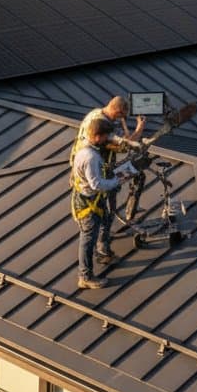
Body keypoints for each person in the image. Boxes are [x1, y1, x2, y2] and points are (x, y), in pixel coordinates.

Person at [72, 96, 145, 262]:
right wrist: (139, 129)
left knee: (100, 215)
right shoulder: (104, 131)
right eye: (121, 116)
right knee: (107, 211)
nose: (121, 120)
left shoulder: (94, 115)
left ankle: (100, 245)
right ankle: (102, 246)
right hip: (99, 174)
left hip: (83, 174)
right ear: (117, 112)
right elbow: (125, 145)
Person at [70, 118, 128, 289]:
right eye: (105, 137)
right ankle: (85, 277)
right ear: (97, 136)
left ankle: (102, 253)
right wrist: (117, 181)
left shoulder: (84, 148)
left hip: (89, 199)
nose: (106, 140)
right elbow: (96, 184)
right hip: (88, 203)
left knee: (104, 222)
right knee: (88, 239)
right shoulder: (91, 157)